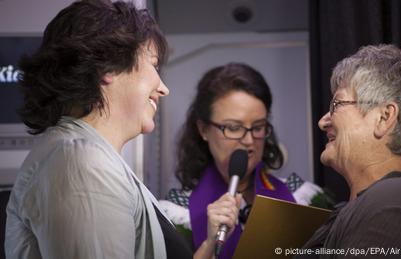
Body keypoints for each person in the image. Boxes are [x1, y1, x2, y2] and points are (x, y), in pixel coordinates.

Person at [5, 1, 238, 258]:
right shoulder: (82, 166)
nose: (163, 88)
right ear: (110, 66)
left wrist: (209, 245)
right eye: (153, 65)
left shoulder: (89, 159)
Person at [295, 44, 401, 258]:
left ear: (383, 118)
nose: (323, 121)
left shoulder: (398, 206)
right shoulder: (366, 208)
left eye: (337, 104)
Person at [159, 62, 332, 259]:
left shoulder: (301, 197)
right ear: (203, 129)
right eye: (233, 128)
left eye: (258, 127)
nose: (249, 141)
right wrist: (209, 244)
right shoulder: (176, 211)